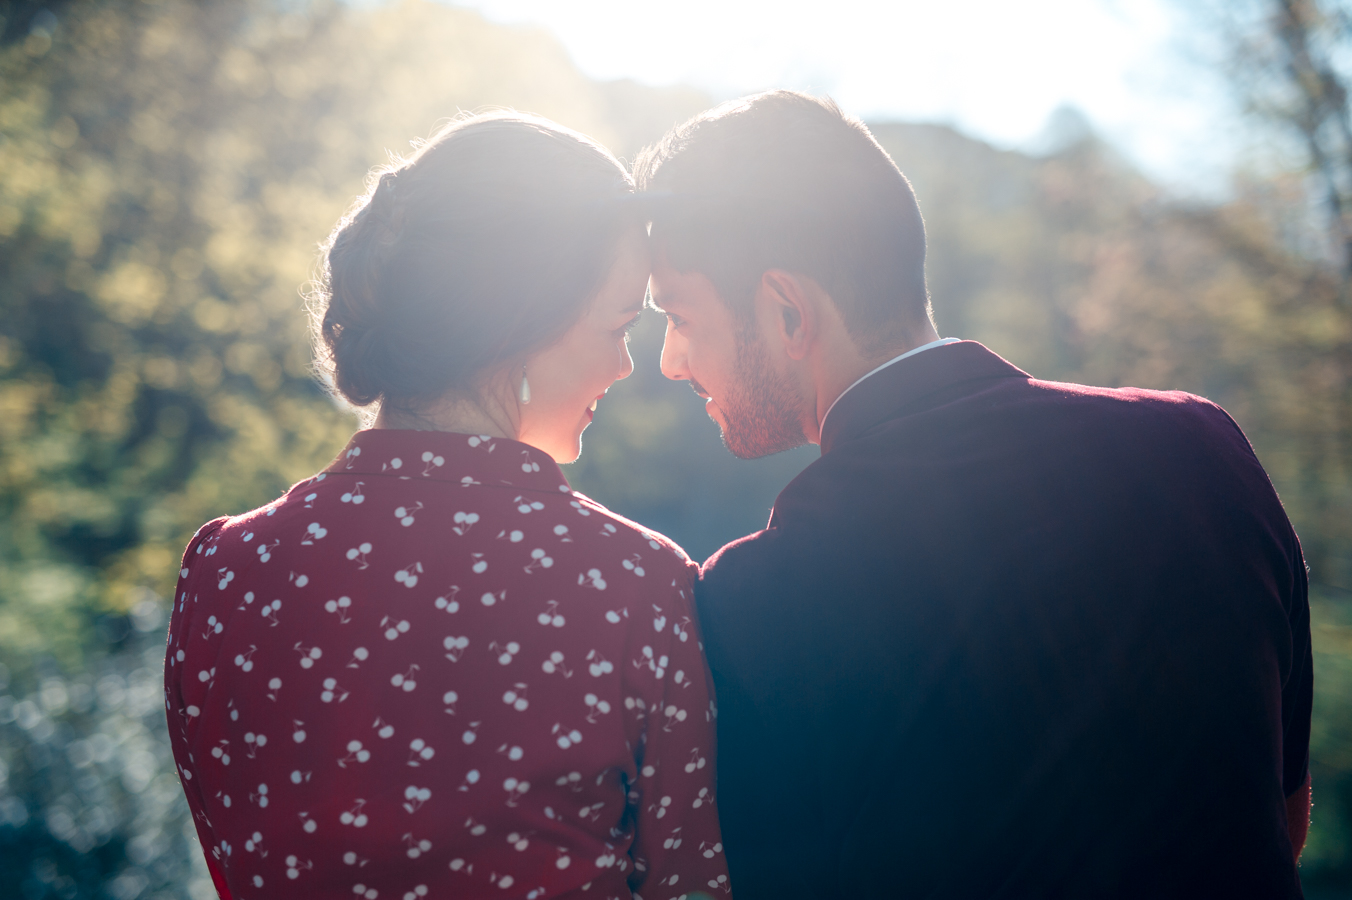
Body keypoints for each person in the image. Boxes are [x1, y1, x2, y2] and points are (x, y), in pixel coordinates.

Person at [634, 90, 1313, 899]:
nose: (672, 362)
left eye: (677, 316)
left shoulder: (752, 601)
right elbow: (1282, 820)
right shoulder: (1197, 448)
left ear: (788, 311)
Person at [165, 113, 730, 900]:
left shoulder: (225, 572)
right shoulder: (635, 585)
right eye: (618, 326)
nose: (626, 363)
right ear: (519, 327)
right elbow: (692, 887)